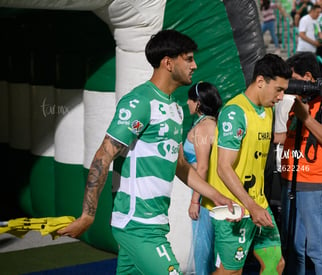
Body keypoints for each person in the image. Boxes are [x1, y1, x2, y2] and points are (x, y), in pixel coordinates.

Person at [57, 29, 236, 275]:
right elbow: (103, 155)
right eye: (189, 59)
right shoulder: (140, 101)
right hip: (137, 226)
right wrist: (88, 215)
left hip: (156, 224)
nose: (195, 66)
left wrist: (215, 196)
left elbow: (180, 165)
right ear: (168, 63)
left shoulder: (176, 108)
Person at [202, 53, 292, 275]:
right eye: (278, 89)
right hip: (233, 208)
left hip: (258, 204)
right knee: (231, 272)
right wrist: (251, 206)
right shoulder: (235, 113)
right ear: (260, 81)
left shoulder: (268, 110)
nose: (281, 96)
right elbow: (223, 167)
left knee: (275, 263)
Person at [280, 52, 322, 275]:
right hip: (291, 181)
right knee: (293, 248)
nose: (289, 85)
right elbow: (288, 137)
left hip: (315, 186)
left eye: (292, 78)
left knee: (318, 249)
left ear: (307, 76)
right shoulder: (300, 102)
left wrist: (306, 118)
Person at [184, 82, 222, 275]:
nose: (187, 103)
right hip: (209, 191)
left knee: (204, 250)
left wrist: (194, 201)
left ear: (198, 103)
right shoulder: (211, 124)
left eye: (190, 100)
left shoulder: (204, 127)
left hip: (205, 195)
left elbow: (203, 166)